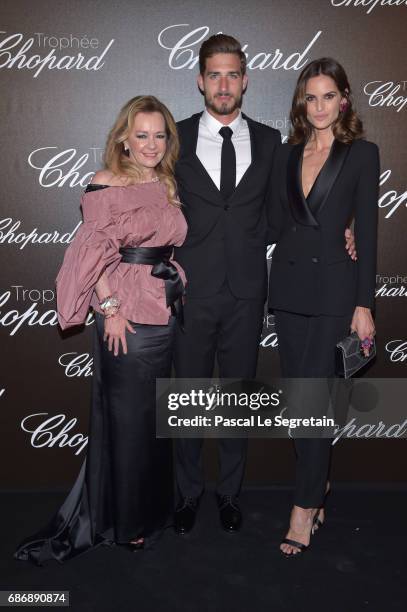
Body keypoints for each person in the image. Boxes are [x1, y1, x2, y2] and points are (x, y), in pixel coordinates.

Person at [172, 36, 356, 535]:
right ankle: (187, 494)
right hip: (190, 290)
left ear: (246, 80)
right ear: (200, 80)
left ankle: (229, 493)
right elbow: (148, 197)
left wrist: (343, 226)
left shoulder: (274, 142)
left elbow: (287, 213)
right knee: (187, 398)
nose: (224, 84)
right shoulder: (176, 136)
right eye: (215, 75)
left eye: (233, 74)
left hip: (248, 293)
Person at [14, 95, 187, 564]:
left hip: (163, 313)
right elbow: (93, 252)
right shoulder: (104, 181)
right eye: (142, 135)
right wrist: (108, 308)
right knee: (129, 424)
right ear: (124, 140)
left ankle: (151, 513)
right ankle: (124, 521)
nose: (151, 144)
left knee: (153, 423)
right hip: (125, 315)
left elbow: (165, 246)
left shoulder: (166, 181)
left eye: (159, 135)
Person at [268, 58, 379, 556]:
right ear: (301, 102)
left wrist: (364, 303)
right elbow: (273, 223)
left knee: (314, 401)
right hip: (288, 292)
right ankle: (318, 486)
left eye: (328, 96)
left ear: (345, 98)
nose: (319, 106)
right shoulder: (285, 155)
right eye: (310, 97)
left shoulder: (362, 154)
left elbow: (369, 234)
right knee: (299, 403)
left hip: (335, 294)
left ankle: (304, 506)